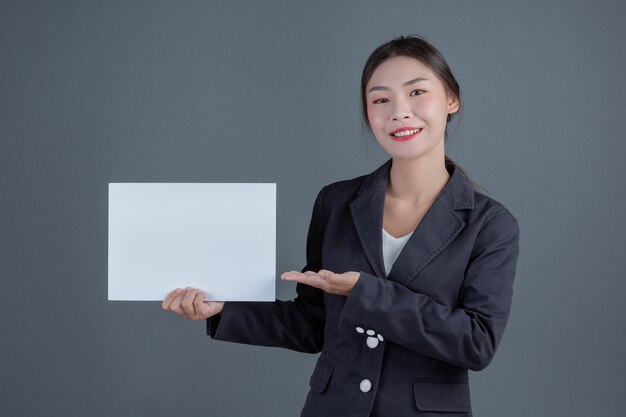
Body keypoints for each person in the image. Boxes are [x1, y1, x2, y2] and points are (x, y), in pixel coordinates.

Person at [163, 35, 520, 417]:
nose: (400, 112)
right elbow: (314, 322)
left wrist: (366, 292)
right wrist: (222, 309)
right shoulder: (336, 202)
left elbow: (476, 343)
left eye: (417, 92)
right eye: (381, 99)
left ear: (451, 99)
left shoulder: (490, 224)